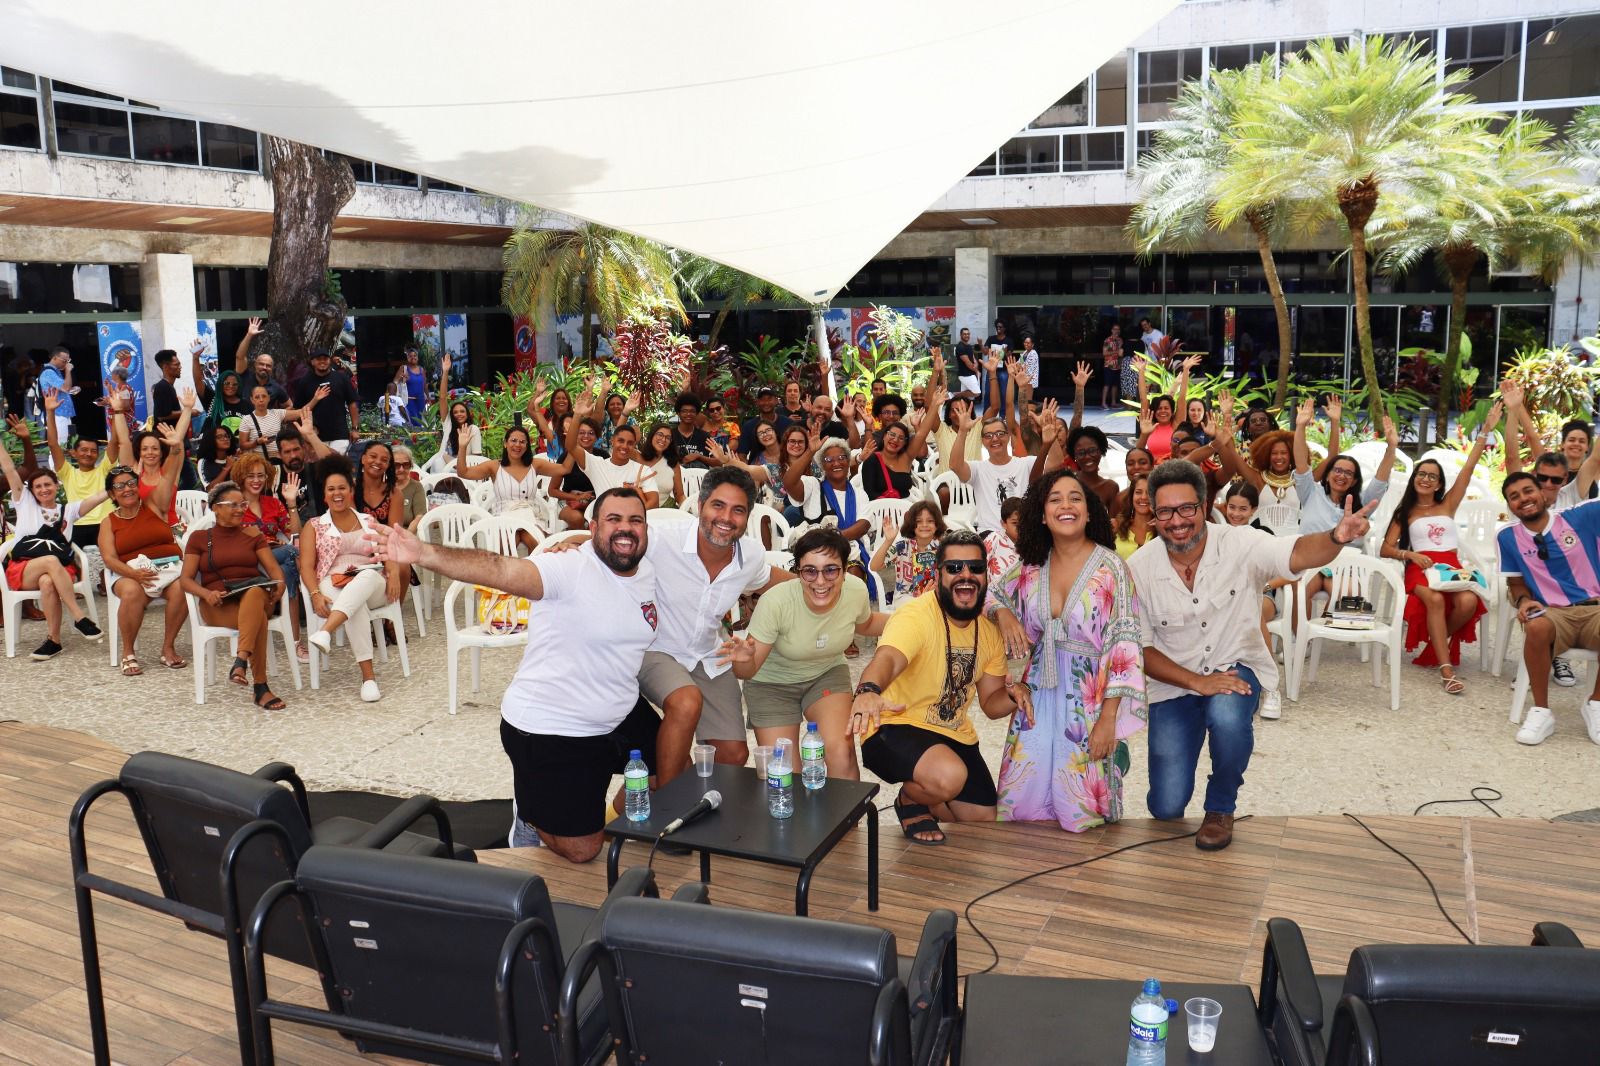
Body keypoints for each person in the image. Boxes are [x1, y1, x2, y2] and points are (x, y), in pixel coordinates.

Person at [374, 487, 659, 862]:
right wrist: (424, 552)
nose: (626, 528)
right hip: (551, 728)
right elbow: (501, 569)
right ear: (592, 528)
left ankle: (585, 812)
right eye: (614, 520)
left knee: (668, 769)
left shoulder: (647, 568)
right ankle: (530, 816)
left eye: (635, 520)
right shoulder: (568, 568)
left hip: (618, 711)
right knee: (584, 850)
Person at [1127, 459, 1373, 851]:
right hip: (1175, 684)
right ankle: (1185, 783)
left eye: (1187, 508)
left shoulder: (1240, 543)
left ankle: (1221, 806)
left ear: (1206, 506)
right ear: (1153, 515)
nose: (1177, 521)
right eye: (1166, 511)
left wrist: (1335, 537)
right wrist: (1197, 683)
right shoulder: (1138, 568)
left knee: (1227, 714)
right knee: (1166, 807)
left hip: (1233, 664)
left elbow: (1295, 553)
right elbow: (1142, 649)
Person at [988, 469, 1146, 831]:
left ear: (1089, 512)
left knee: (1080, 812)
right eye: (1055, 499)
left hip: (1088, 699)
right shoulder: (1029, 567)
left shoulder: (1111, 570)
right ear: (1042, 515)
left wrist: (1108, 721)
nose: (1066, 505)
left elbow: (1125, 648)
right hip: (1038, 694)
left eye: (1075, 497)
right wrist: (1003, 614)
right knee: (1022, 804)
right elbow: (989, 592)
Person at [847, 531, 1026, 844]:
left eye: (975, 568)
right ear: (938, 572)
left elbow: (991, 703)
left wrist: (1014, 695)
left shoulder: (988, 631)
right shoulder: (915, 615)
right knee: (949, 778)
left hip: (951, 733)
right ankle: (911, 799)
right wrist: (868, 690)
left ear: (986, 574)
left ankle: (933, 795)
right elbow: (887, 659)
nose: (965, 576)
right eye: (954, 568)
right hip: (894, 725)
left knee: (981, 822)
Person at [630, 468, 792, 773]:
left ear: (748, 517)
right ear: (700, 505)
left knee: (731, 754)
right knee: (686, 702)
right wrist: (568, 548)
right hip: (656, 647)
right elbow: (611, 545)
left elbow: (769, 578)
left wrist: (816, 583)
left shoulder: (751, 556)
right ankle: (667, 805)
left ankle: (669, 795)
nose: (726, 517)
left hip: (708, 653)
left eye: (738, 510)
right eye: (718, 505)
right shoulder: (661, 541)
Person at [723, 527, 888, 779]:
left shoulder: (855, 590)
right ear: (798, 572)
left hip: (826, 673)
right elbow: (749, 669)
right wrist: (742, 661)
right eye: (809, 571)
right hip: (771, 684)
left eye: (831, 569)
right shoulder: (776, 602)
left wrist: (911, 619)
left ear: (845, 570)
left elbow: (865, 624)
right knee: (784, 772)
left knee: (840, 751)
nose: (820, 581)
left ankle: (848, 819)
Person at [1379, 413, 1499, 694]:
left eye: (1432, 476)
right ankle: (1447, 672)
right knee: (1434, 599)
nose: (1426, 479)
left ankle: (1436, 645)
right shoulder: (1405, 512)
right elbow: (1385, 548)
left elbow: (1468, 470)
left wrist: (1485, 432)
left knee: (1469, 601)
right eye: (1422, 474)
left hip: (1452, 566)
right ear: (1415, 479)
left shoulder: (1448, 505)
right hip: (1420, 566)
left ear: (1439, 484)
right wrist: (1410, 556)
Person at [1497, 473, 1600, 746]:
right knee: (1536, 626)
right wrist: (1523, 601)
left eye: (1528, 491)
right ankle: (1542, 711)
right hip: (1553, 613)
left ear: (1542, 493)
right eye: (1514, 496)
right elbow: (1516, 583)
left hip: (1595, 607)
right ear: (1510, 505)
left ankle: (1596, 705)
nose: (1524, 499)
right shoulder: (1507, 537)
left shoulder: (1580, 516)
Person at [300, 458, 407, 703]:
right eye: (331, 489)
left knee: (365, 575)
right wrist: (315, 593)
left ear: (350, 491)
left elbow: (387, 549)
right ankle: (369, 679)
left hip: (372, 581)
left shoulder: (368, 521)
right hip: (332, 581)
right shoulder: (315, 526)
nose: (337, 493)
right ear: (325, 496)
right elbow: (306, 566)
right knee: (353, 603)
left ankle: (325, 631)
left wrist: (392, 573)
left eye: (341, 488)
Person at [179, 480, 289, 710]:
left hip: (256, 595)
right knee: (256, 618)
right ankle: (261, 688)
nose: (241, 510)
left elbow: (273, 569)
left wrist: (279, 584)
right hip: (218, 602)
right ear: (215, 507)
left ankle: (241, 660)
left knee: (256, 593)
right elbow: (186, 579)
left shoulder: (253, 534)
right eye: (234, 505)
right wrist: (206, 593)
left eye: (243, 504)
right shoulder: (199, 538)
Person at [100, 413, 192, 675]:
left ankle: (168, 648)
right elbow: (109, 558)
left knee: (182, 588)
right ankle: (129, 652)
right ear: (112, 494)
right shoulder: (109, 521)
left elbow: (168, 478)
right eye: (120, 486)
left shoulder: (154, 506)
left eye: (131, 483)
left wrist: (175, 449)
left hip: (168, 565)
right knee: (132, 593)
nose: (127, 489)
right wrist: (134, 574)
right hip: (131, 571)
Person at [0, 432, 106, 658]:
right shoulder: (25, 503)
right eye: (37, 487)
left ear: (57, 486)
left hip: (57, 571)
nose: (43, 489)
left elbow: (100, 496)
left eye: (47, 484)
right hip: (23, 568)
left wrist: (125, 479)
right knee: (50, 561)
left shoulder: (68, 510)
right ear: (32, 491)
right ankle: (79, 617)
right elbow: (9, 469)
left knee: (48, 581)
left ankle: (53, 640)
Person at [233, 449, 306, 659]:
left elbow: (294, 532)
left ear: (267, 478)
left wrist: (291, 503)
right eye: (250, 475)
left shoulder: (273, 503)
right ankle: (296, 641)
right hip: (250, 561)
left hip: (278, 559)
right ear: (241, 478)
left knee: (287, 568)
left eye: (260, 475)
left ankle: (295, 642)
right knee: (293, 553)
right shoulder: (235, 505)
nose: (256, 480)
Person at [39, 386, 120, 551]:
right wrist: (50, 413)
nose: (88, 454)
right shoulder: (68, 472)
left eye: (93, 451)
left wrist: (115, 410)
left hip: (105, 523)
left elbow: (114, 442)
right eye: (83, 450)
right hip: (76, 525)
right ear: (73, 453)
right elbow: (53, 444)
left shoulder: (104, 470)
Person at [948, 402, 1034, 536]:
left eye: (1000, 433)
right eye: (988, 435)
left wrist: (1049, 435)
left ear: (1008, 436)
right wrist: (963, 431)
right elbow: (954, 465)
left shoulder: (1026, 464)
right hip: (990, 535)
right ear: (982, 441)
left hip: (1023, 533)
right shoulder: (978, 469)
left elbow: (1055, 462)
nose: (995, 439)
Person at [457, 423, 571, 516]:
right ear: (505, 443)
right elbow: (463, 472)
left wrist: (574, 442)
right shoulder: (494, 466)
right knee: (513, 536)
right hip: (504, 517)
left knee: (528, 534)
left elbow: (565, 469)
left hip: (530, 517)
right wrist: (462, 447)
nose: (518, 445)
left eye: (522, 442)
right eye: (513, 440)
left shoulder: (535, 465)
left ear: (527, 446)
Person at [567, 394, 659, 508]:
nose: (625, 446)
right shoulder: (597, 464)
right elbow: (571, 446)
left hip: (633, 521)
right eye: (621, 441)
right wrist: (577, 414)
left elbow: (654, 502)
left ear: (634, 445)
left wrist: (631, 514)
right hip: (606, 521)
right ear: (612, 441)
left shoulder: (643, 469)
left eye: (630, 443)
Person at [861, 382, 943, 500]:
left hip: (906, 509)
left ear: (905, 442)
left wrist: (934, 406)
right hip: (880, 511)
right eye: (892, 435)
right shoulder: (872, 460)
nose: (895, 440)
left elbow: (922, 433)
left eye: (900, 438)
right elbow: (869, 494)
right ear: (884, 436)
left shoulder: (906, 458)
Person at [871, 500, 945, 604]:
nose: (924, 525)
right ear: (911, 524)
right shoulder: (902, 546)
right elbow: (874, 566)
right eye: (918, 521)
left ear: (937, 524)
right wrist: (888, 541)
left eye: (930, 521)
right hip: (905, 597)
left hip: (936, 595)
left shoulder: (943, 547)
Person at [289, 348, 360, 451]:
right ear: (312, 362)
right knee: (322, 466)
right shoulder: (304, 382)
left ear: (329, 360)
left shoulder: (341, 378)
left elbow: (352, 403)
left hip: (340, 435)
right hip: (316, 436)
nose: (322, 361)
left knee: (338, 465)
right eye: (318, 359)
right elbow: (298, 411)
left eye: (325, 358)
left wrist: (355, 429)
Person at [238, 381, 320, 460]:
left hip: (279, 460)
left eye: (264, 396)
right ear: (252, 400)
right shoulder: (246, 420)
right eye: (257, 397)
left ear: (269, 398)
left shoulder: (277, 413)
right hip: (258, 462)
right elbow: (242, 445)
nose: (261, 400)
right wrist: (257, 442)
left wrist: (315, 399)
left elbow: (301, 412)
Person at [232, 317, 288, 408]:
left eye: (268, 366)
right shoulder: (244, 376)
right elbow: (239, 357)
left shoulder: (276, 387)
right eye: (261, 364)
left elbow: (289, 405)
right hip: (244, 421)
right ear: (255, 365)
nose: (264, 367)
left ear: (272, 369)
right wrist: (249, 335)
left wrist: (275, 416)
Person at [637, 424, 684, 506]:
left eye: (668, 437)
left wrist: (689, 507)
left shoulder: (673, 463)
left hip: (666, 510)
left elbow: (679, 496)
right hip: (638, 510)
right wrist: (625, 413)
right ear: (652, 435)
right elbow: (619, 437)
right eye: (660, 434)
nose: (663, 439)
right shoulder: (637, 457)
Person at [37, 345, 75, 447]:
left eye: (68, 360)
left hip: (62, 412)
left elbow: (65, 388)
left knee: (66, 444)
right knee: (59, 446)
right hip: (56, 413)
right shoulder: (49, 372)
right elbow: (66, 387)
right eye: (64, 361)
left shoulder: (55, 371)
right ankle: (56, 463)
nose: (66, 363)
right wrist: (68, 370)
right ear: (54, 358)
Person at [670, 393, 718, 469]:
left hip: (701, 479)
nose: (688, 414)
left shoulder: (705, 436)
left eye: (692, 411)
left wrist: (699, 456)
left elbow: (718, 462)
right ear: (678, 413)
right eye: (684, 411)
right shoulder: (670, 435)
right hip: (674, 478)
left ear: (697, 413)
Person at [1113, 473, 1154, 559]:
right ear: (1132, 497)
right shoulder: (1117, 526)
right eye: (1138, 492)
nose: (1143, 497)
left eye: (1149, 493)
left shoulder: (1164, 530)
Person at [738, 387, 783, 460]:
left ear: (776, 401)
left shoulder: (788, 423)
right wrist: (748, 470)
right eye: (762, 400)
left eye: (769, 399)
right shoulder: (748, 426)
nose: (766, 403)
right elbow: (741, 455)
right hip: (756, 468)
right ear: (757, 402)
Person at [197, 424, 239, 491]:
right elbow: (210, 489)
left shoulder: (235, 459)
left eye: (226, 436)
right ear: (211, 440)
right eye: (219, 437)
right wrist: (227, 468)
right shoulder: (204, 462)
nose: (225, 439)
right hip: (214, 499)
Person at [149, 348, 183, 426]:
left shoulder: (169, 386)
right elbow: (162, 416)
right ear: (165, 367)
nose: (180, 367)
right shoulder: (162, 386)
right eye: (176, 364)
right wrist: (189, 411)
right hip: (165, 436)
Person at [1101, 324, 1125, 409]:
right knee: (1107, 384)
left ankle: (1113, 402)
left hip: (1117, 366)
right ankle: (1103, 403)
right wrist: (1116, 352)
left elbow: (1121, 353)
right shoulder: (1107, 340)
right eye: (1115, 329)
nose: (1116, 331)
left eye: (1118, 329)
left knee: (1115, 385)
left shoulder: (1120, 340)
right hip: (1109, 365)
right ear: (1112, 330)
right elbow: (1104, 353)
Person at [402, 346, 428, 425]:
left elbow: (424, 385)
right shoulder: (404, 368)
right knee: (414, 422)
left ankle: (420, 437)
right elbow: (394, 383)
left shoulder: (422, 369)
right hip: (409, 401)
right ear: (407, 358)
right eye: (410, 356)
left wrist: (428, 398)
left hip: (421, 400)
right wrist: (403, 380)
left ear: (417, 357)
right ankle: (414, 437)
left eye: (415, 355)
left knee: (422, 422)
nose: (413, 357)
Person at [955, 327, 981, 395]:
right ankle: (954, 395)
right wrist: (977, 371)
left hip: (970, 374)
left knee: (969, 397)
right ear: (961, 335)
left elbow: (973, 359)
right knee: (977, 393)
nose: (967, 335)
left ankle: (955, 396)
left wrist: (976, 364)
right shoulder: (960, 347)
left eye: (968, 334)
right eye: (965, 334)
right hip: (966, 375)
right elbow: (968, 363)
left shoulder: (969, 346)